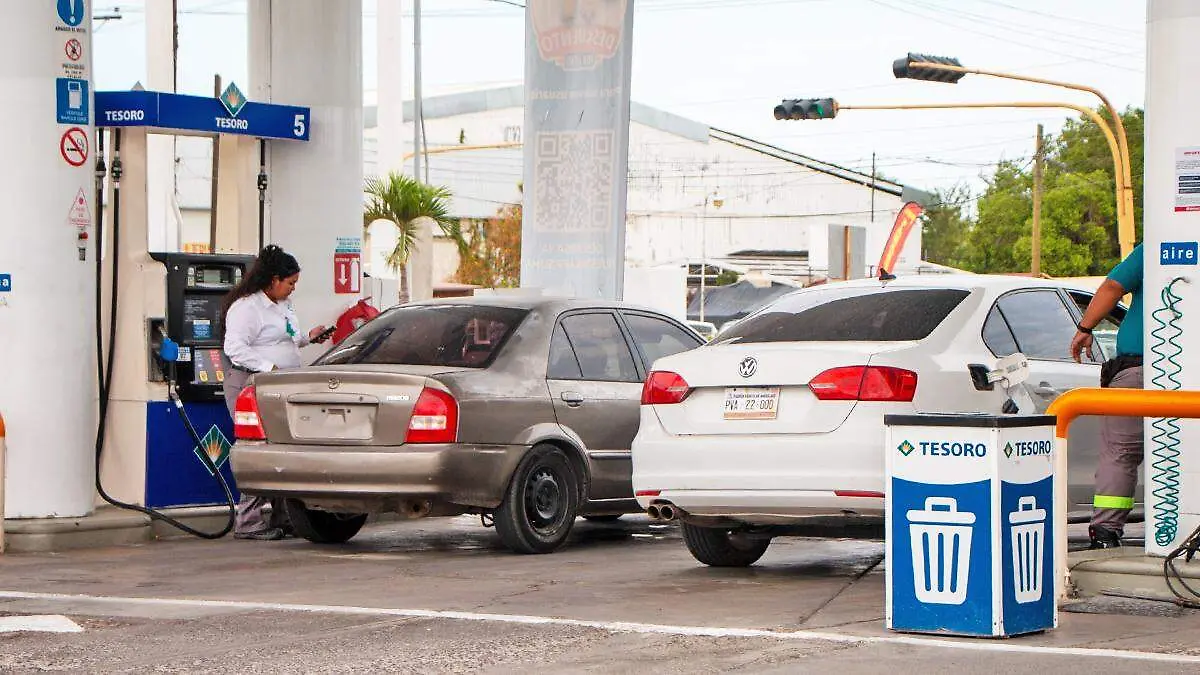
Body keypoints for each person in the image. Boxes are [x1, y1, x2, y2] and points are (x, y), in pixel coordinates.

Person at [222, 245, 330, 541]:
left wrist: (308, 339)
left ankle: (284, 517)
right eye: (290, 283)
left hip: (280, 386)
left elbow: (286, 340)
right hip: (250, 384)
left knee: (285, 448)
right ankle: (248, 521)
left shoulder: (283, 305)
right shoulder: (247, 308)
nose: (292, 289)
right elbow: (235, 348)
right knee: (259, 447)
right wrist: (268, 367)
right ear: (272, 279)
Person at [1070, 243, 1143, 549]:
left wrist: (1085, 327)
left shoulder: (1159, 243)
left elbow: (1113, 285)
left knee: (1120, 454)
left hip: (1137, 371)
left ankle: (1105, 533)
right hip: (1190, 375)